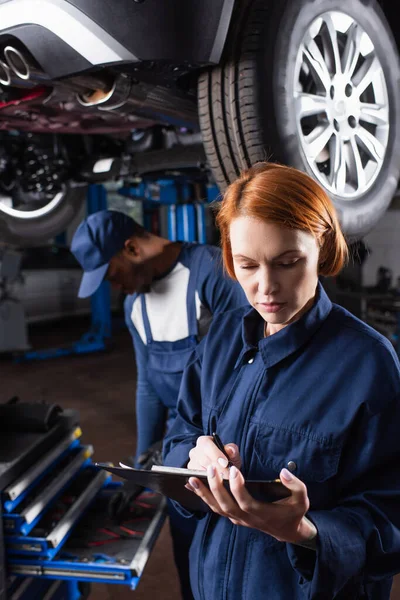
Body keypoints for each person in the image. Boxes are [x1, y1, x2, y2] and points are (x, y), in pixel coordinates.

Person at [163, 162, 400, 600]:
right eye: (247, 265)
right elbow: (180, 432)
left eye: (288, 262)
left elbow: (391, 520)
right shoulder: (222, 339)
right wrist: (193, 456)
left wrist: (306, 532)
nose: (266, 287)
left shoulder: (368, 363)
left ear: (323, 246)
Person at [70, 209, 247, 600]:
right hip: (181, 449)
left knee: (236, 564)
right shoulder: (135, 307)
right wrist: (143, 467)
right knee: (191, 558)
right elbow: (149, 385)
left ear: (131, 248)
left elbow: (250, 370)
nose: (117, 288)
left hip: (233, 452)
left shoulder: (213, 274)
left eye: (112, 275)